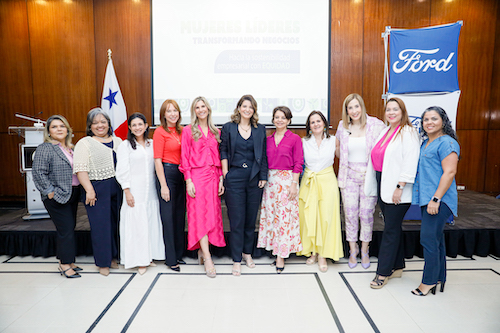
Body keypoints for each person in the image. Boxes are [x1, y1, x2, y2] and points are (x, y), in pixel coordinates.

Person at [364, 97, 420, 289]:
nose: (391, 113)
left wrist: (400, 186)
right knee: (392, 226)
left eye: (395, 109)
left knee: (390, 229)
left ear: (403, 112)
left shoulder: (409, 132)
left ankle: (383, 272)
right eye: (388, 109)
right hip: (382, 183)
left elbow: (410, 161)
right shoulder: (385, 131)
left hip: (398, 187)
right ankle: (397, 266)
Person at [411, 106, 459, 296]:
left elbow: (450, 172)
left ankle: (428, 282)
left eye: (434, 119)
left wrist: (436, 199)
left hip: (439, 200)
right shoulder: (425, 143)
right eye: (425, 120)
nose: (429, 123)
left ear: (443, 121)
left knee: (428, 239)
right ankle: (439, 277)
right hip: (428, 200)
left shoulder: (447, 143)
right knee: (436, 240)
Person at [335, 94, 386, 269]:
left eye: (357, 106)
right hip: (348, 177)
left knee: (365, 215)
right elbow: (336, 147)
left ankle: (365, 250)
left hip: (368, 177)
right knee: (349, 215)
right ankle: (353, 250)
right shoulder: (343, 126)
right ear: (346, 110)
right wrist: (344, 158)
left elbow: (385, 145)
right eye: (350, 108)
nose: (354, 111)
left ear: (362, 107)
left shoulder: (376, 125)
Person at [220, 95, 268, 276]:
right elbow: (223, 150)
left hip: (255, 178)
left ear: (254, 110)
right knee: (237, 220)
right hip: (235, 176)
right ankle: (236, 259)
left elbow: (263, 154)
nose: (247, 109)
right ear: (239, 108)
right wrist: (226, 174)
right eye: (244, 106)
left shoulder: (259, 129)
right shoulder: (228, 128)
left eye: (251, 107)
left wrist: (263, 175)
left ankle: (247, 254)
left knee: (250, 219)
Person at [179, 96, 225, 278]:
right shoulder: (188, 131)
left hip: (213, 177)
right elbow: (184, 157)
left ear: (208, 109)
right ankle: (207, 257)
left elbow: (220, 158)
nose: (201, 109)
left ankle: (201, 251)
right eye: (197, 107)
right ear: (194, 111)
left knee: (212, 216)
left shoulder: (216, 131)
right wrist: (188, 180)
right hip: (196, 178)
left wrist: (221, 178)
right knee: (199, 217)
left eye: (203, 106)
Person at [74, 108, 123, 276]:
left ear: (109, 124)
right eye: (95, 123)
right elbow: (80, 169)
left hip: (117, 188)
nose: (99, 125)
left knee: (116, 224)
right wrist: (89, 190)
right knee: (100, 226)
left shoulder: (118, 141)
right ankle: (103, 262)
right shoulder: (84, 143)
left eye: (103, 122)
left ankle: (113, 257)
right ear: (90, 126)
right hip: (96, 189)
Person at [32, 115, 82, 278]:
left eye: (62, 126)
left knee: (68, 228)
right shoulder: (45, 148)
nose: (59, 129)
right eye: (54, 127)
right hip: (57, 195)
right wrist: (49, 191)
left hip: (73, 193)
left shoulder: (70, 148)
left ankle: (68, 260)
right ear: (48, 131)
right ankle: (65, 265)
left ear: (67, 129)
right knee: (66, 229)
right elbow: (38, 172)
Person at [116, 113, 165, 275]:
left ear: (146, 126)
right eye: (134, 125)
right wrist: (127, 191)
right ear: (130, 127)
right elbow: (122, 170)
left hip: (150, 191)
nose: (137, 127)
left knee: (149, 223)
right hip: (134, 191)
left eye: (140, 124)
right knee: (136, 225)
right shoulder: (125, 146)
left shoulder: (152, 144)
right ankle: (139, 260)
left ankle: (149, 256)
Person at [257, 106, 303, 273]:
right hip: (270, 183)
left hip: (287, 182)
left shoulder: (295, 139)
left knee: (284, 220)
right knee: (272, 218)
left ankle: (281, 257)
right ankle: (275, 250)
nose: (279, 120)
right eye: (277, 117)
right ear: (273, 119)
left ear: (289, 120)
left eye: (283, 117)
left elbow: (299, 162)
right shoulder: (267, 140)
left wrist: (293, 184)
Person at [298, 111, 343, 272]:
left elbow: (343, 158)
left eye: (318, 121)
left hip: (328, 181)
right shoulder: (303, 142)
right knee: (310, 217)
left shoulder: (334, 141)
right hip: (309, 181)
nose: (316, 124)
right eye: (312, 122)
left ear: (324, 123)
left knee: (326, 218)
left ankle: (323, 254)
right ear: (309, 126)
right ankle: (313, 252)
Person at [153, 100, 186, 272]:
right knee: (168, 217)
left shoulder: (182, 131)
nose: (173, 114)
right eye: (169, 111)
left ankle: (179, 254)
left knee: (179, 216)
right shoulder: (159, 132)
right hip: (167, 174)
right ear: (163, 115)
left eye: (175, 110)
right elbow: (157, 160)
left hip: (182, 175)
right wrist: (163, 186)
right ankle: (171, 259)